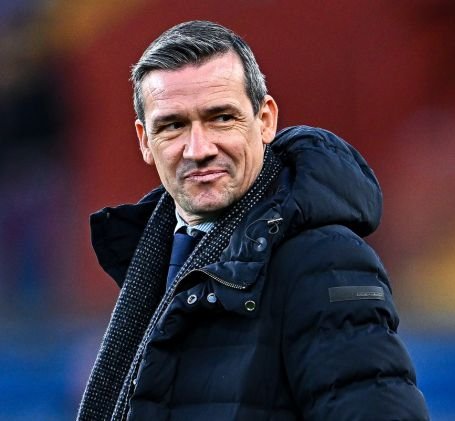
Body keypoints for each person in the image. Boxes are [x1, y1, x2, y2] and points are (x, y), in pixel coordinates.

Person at [77, 20, 430, 421]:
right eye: (174, 126)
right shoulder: (153, 262)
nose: (198, 149)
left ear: (265, 120)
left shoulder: (324, 261)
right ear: (144, 140)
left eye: (221, 118)